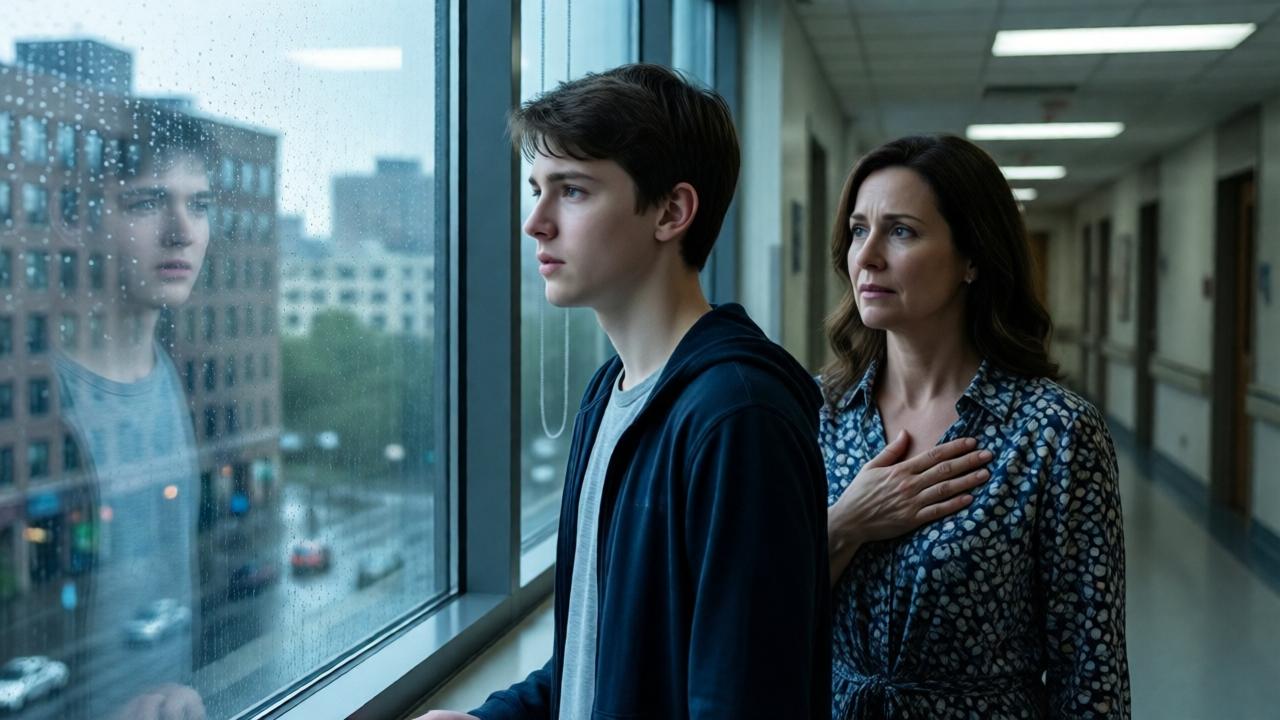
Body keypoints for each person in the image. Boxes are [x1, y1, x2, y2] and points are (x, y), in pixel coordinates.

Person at [420, 64, 829, 720]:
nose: (536, 223)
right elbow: (605, 651)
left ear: (672, 211)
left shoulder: (738, 417)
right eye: (536, 189)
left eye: (573, 191)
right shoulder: (608, 395)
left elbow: (740, 700)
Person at [820, 134, 1130, 718]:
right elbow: (751, 608)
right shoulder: (818, 413)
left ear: (972, 258)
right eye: (860, 229)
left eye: (902, 231)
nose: (867, 256)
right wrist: (845, 525)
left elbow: (1091, 669)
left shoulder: (1055, 433)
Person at [51, 106, 214, 720]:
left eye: (198, 205)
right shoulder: (42, 395)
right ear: (75, 221)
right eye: (147, 203)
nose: (181, 231)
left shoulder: (174, 378)